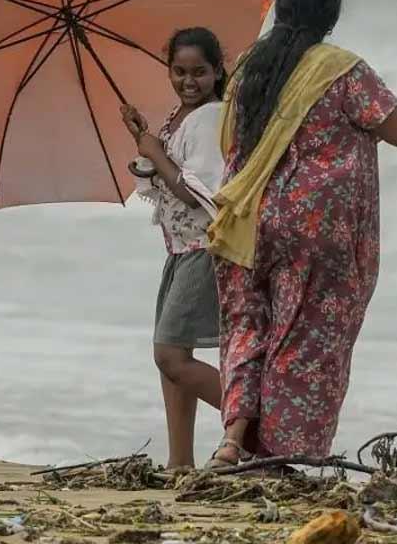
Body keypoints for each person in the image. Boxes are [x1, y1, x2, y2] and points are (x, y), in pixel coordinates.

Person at [207, 0, 397, 469]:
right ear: (330, 15)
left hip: (247, 219)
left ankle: (232, 442)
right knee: (304, 338)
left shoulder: (248, 67)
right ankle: (279, 459)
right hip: (315, 228)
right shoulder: (342, 70)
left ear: (281, 8)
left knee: (248, 328)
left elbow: (230, 140)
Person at [121, 27, 228, 471]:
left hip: (205, 249)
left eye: (199, 72)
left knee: (168, 354)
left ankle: (258, 424)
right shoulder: (182, 117)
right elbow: (164, 181)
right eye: (179, 72)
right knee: (174, 358)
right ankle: (180, 461)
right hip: (181, 250)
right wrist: (145, 141)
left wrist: (157, 153)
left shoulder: (212, 117)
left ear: (217, 71)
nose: (188, 81)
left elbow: (196, 191)